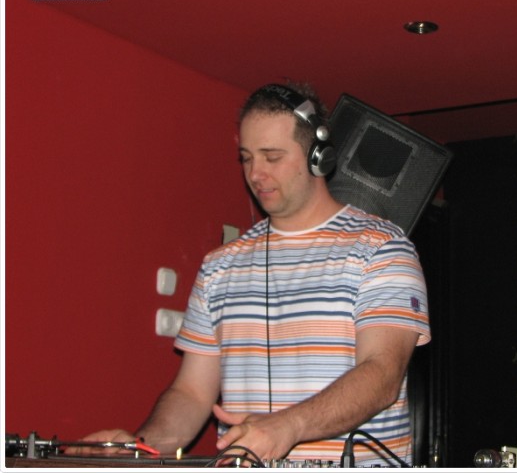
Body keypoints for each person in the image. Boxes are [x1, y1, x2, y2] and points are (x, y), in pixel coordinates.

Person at [70, 82, 430, 467]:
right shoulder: (219, 266)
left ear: (318, 157)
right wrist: (139, 448)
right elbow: (192, 394)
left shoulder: (381, 249)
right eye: (246, 158)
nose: (256, 173)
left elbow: (381, 375)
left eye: (272, 157)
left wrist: (287, 427)